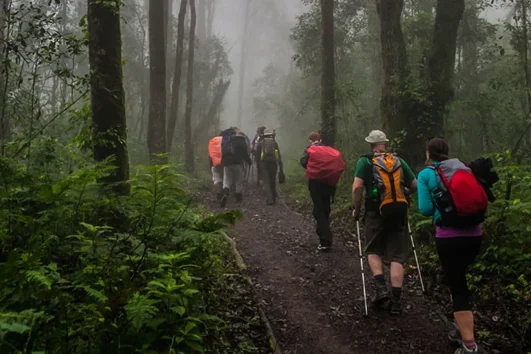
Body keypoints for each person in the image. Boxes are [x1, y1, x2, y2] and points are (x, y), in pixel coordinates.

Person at [418, 137, 485, 354]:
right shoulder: (464, 168)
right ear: (447, 152)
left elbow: (426, 210)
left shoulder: (427, 174)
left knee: (458, 286)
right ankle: (460, 326)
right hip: (475, 234)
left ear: (428, 153)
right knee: (460, 280)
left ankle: (469, 346)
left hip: (448, 237)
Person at [351, 130, 417, 315]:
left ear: (370, 144)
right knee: (397, 256)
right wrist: (402, 196)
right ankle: (396, 301)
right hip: (398, 212)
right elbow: (415, 185)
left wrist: (356, 210)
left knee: (373, 250)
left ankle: (380, 289)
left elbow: (357, 187)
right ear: (385, 144)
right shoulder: (399, 161)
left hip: (374, 212)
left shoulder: (365, 161)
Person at [300, 131, 345, 251]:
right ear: (320, 140)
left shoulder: (309, 149)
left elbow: (303, 162)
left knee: (318, 209)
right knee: (325, 207)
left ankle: (325, 240)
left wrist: (314, 169)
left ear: (310, 140)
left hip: (315, 183)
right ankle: (325, 232)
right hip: (329, 183)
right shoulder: (328, 149)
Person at [220, 128, 252, 208]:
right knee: (239, 180)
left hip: (227, 163)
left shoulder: (228, 141)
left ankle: (225, 193)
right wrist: (249, 161)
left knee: (227, 180)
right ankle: (238, 198)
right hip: (238, 163)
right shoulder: (242, 142)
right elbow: (245, 154)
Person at [256, 129, 284, 205]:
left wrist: (258, 167)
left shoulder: (260, 144)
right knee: (272, 180)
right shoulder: (274, 143)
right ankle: (274, 197)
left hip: (264, 164)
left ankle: (269, 199)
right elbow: (278, 156)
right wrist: (281, 167)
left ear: (263, 136)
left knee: (266, 182)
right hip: (273, 164)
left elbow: (257, 157)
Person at [208, 133, 223, 200]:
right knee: (225, 178)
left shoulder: (212, 143)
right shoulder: (226, 142)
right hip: (224, 164)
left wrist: (211, 166)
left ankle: (218, 191)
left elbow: (210, 156)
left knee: (216, 179)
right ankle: (224, 191)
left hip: (215, 164)